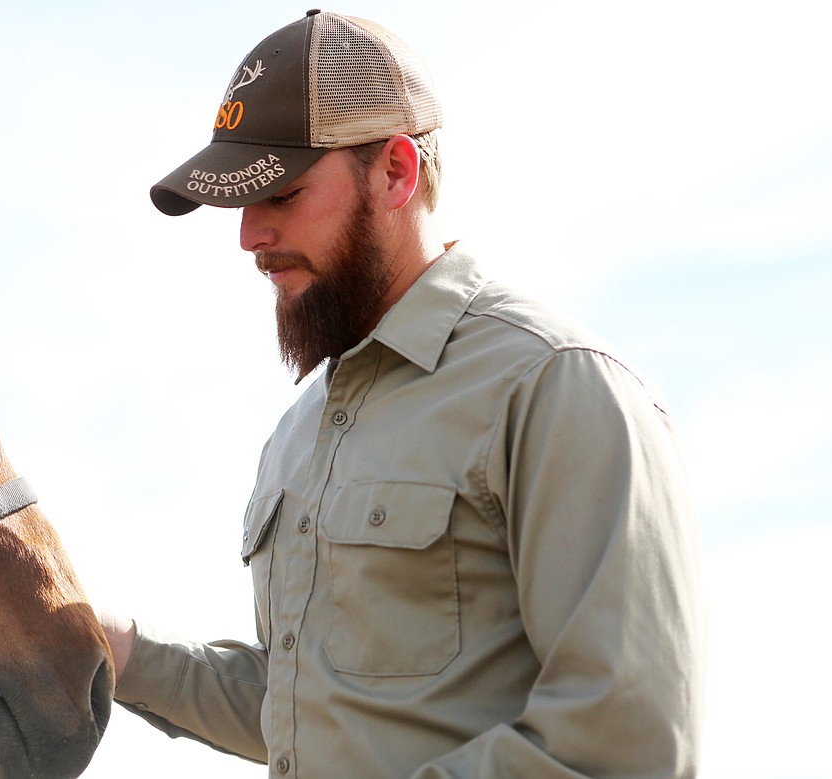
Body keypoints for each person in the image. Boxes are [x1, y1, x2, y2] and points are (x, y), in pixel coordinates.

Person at [99, 9, 704, 778]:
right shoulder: (296, 433)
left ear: (394, 171)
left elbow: (622, 738)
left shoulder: (556, 385)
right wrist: (122, 651)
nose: (248, 236)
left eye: (280, 191)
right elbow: (313, 709)